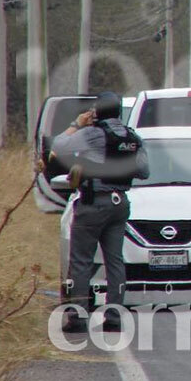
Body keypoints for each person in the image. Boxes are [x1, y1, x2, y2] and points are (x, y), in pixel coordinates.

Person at [52, 92, 148, 333]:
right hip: (119, 204)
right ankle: (114, 316)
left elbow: (59, 145)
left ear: (97, 111)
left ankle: (77, 317)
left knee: (81, 261)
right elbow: (144, 171)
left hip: (93, 203)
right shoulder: (133, 137)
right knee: (115, 260)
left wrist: (76, 124)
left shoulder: (92, 134)